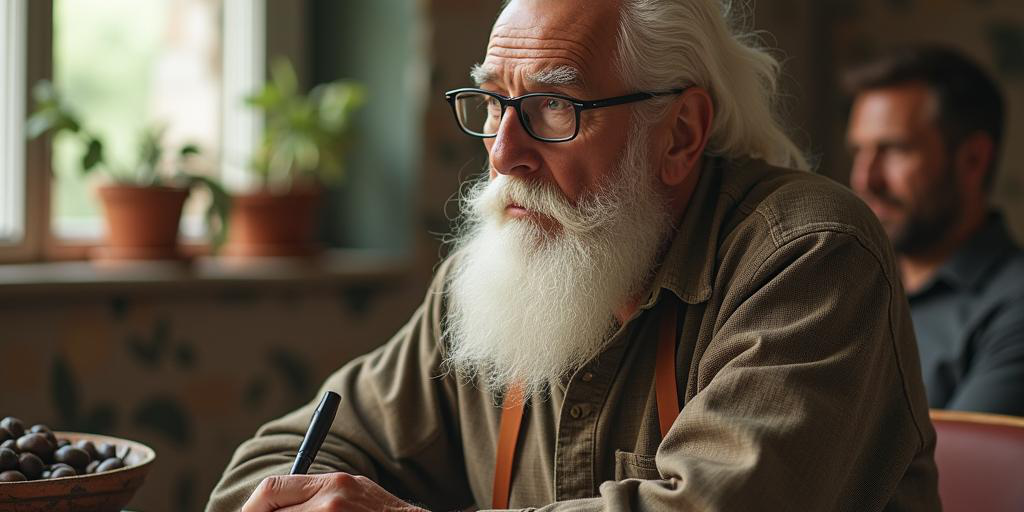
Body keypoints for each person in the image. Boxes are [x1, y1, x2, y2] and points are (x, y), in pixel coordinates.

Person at [208, 1, 940, 510]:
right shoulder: (500, 275)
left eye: (556, 107)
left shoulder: (809, 256)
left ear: (680, 133)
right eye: (494, 102)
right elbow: (279, 461)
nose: (503, 154)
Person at [845, 46, 1024, 416]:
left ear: (972, 160)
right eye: (859, 152)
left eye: (893, 149)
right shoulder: (848, 288)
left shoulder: (1014, 307)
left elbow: (963, 471)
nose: (864, 179)